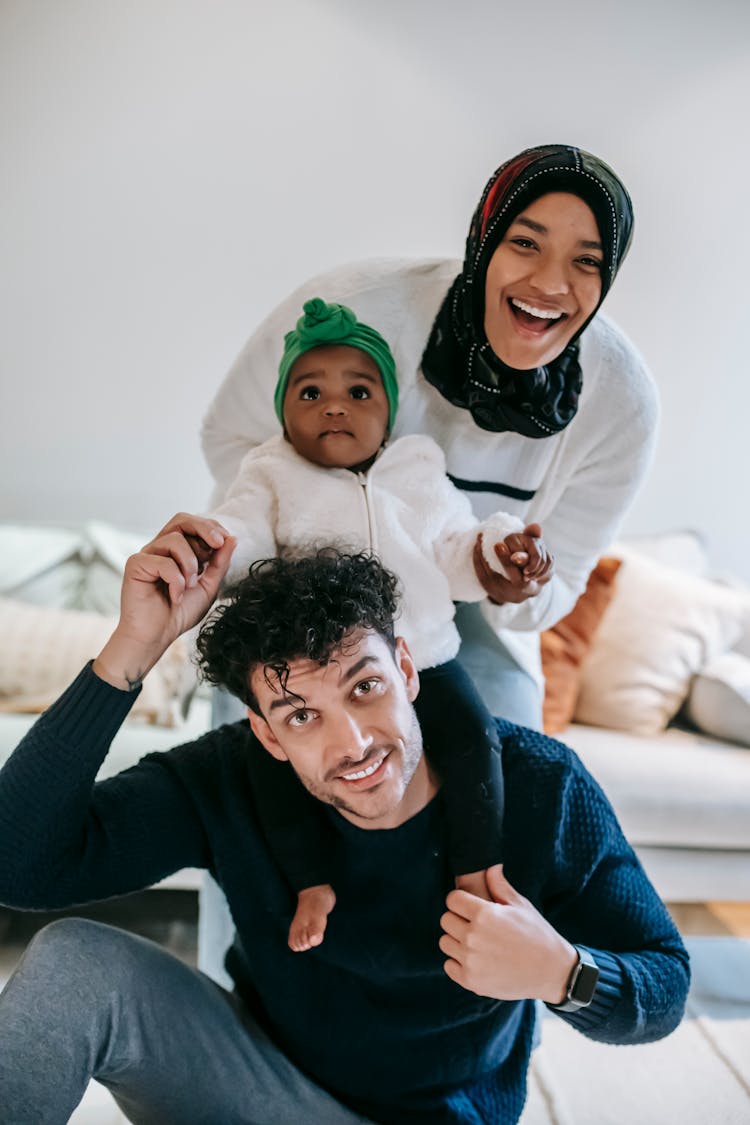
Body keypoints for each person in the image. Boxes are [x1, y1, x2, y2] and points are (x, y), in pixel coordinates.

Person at [0, 516, 689, 1125]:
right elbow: (19, 863)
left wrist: (563, 973)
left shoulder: (542, 786)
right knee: (74, 962)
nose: (354, 743)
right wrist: (130, 649)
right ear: (268, 735)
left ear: (408, 669)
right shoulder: (230, 775)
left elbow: (665, 982)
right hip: (261, 1089)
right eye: (302, 715)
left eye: (366, 687)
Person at [201, 143, 659, 728]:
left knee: (512, 764)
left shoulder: (620, 402)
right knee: (250, 757)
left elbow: (559, 584)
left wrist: (513, 583)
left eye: (587, 261)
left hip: (463, 609)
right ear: (484, 239)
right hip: (299, 586)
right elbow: (231, 437)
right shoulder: (359, 310)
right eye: (525, 242)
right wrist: (302, 543)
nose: (550, 283)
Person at [211, 293, 554, 951]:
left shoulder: (416, 468)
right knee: (268, 767)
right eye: (309, 392)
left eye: (359, 391)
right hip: (318, 669)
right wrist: (211, 540)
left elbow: (455, 544)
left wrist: (498, 549)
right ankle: (312, 880)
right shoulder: (272, 470)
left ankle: (477, 868)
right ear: (283, 413)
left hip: (420, 651)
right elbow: (245, 531)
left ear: (389, 414)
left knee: (475, 738)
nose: (334, 405)